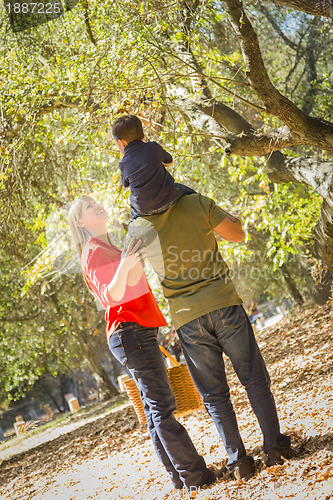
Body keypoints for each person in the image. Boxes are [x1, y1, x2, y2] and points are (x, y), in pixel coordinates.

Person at [128, 193, 294, 480]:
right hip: (224, 304)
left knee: (215, 397)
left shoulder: (139, 228)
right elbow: (238, 234)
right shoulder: (195, 202)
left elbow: (132, 280)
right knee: (254, 378)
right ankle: (275, 450)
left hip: (188, 319)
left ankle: (239, 463)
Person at [67, 195, 221, 491]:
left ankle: (180, 476)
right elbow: (110, 296)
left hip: (136, 332)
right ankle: (195, 475)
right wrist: (126, 263)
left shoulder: (107, 247)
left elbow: (131, 284)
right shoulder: (94, 251)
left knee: (154, 411)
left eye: (96, 201)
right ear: (81, 222)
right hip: (129, 333)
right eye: (89, 206)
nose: (97, 204)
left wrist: (134, 257)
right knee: (162, 408)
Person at [112, 114, 195, 219]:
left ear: (121, 143)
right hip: (168, 198)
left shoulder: (124, 164)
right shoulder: (153, 147)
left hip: (142, 210)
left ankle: (134, 226)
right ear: (143, 134)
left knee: (133, 213)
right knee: (187, 191)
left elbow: (127, 185)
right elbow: (170, 161)